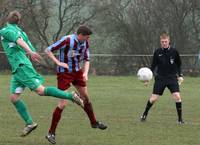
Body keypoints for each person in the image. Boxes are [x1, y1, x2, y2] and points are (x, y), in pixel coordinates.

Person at [0, 10, 83, 137]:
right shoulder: (22, 32)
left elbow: (19, 41)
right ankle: (30, 123)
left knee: (40, 91)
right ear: (18, 21)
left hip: (21, 66)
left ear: (7, 20)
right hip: (18, 69)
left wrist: (30, 52)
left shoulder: (5, 31)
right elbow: (27, 43)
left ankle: (71, 96)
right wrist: (32, 53)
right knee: (14, 97)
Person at [45, 25, 107, 144]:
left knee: (86, 97)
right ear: (81, 35)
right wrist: (58, 62)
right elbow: (48, 50)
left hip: (77, 72)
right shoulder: (67, 40)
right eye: (87, 37)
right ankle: (51, 133)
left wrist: (86, 73)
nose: (88, 40)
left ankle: (94, 122)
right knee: (63, 103)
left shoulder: (85, 43)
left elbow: (87, 59)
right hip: (64, 73)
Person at [140, 33, 184, 124]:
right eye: (162, 42)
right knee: (153, 99)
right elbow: (152, 67)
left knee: (177, 97)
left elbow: (179, 65)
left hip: (172, 78)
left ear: (169, 41)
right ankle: (144, 114)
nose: (164, 43)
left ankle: (180, 119)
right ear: (160, 42)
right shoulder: (157, 52)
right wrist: (147, 79)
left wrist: (180, 76)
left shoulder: (174, 52)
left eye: (166, 41)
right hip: (160, 78)